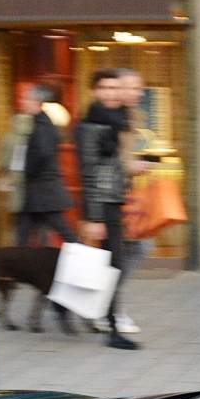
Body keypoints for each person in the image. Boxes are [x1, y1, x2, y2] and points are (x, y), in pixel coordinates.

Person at [76, 66, 148, 348]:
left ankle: (98, 314)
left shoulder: (115, 121)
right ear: (94, 92)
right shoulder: (89, 126)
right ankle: (112, 326)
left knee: (111, 263)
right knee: (114, 263)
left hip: (115, 198)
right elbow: (89, 172)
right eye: (104, 88)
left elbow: (115, 165)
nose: (111, 93)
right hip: (102, 201)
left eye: (114, 88)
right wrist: (92, 216)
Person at [6, 81, 75, 250]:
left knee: (64, 231)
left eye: (26, 100)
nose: (22, 103)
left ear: (36, 102)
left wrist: (28, 170)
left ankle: (88, 262)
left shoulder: (42, 124)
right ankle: (21, 268)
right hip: (39, 191)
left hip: (43, 192)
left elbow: (43, 152)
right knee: (24, 231)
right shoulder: (40, 122)